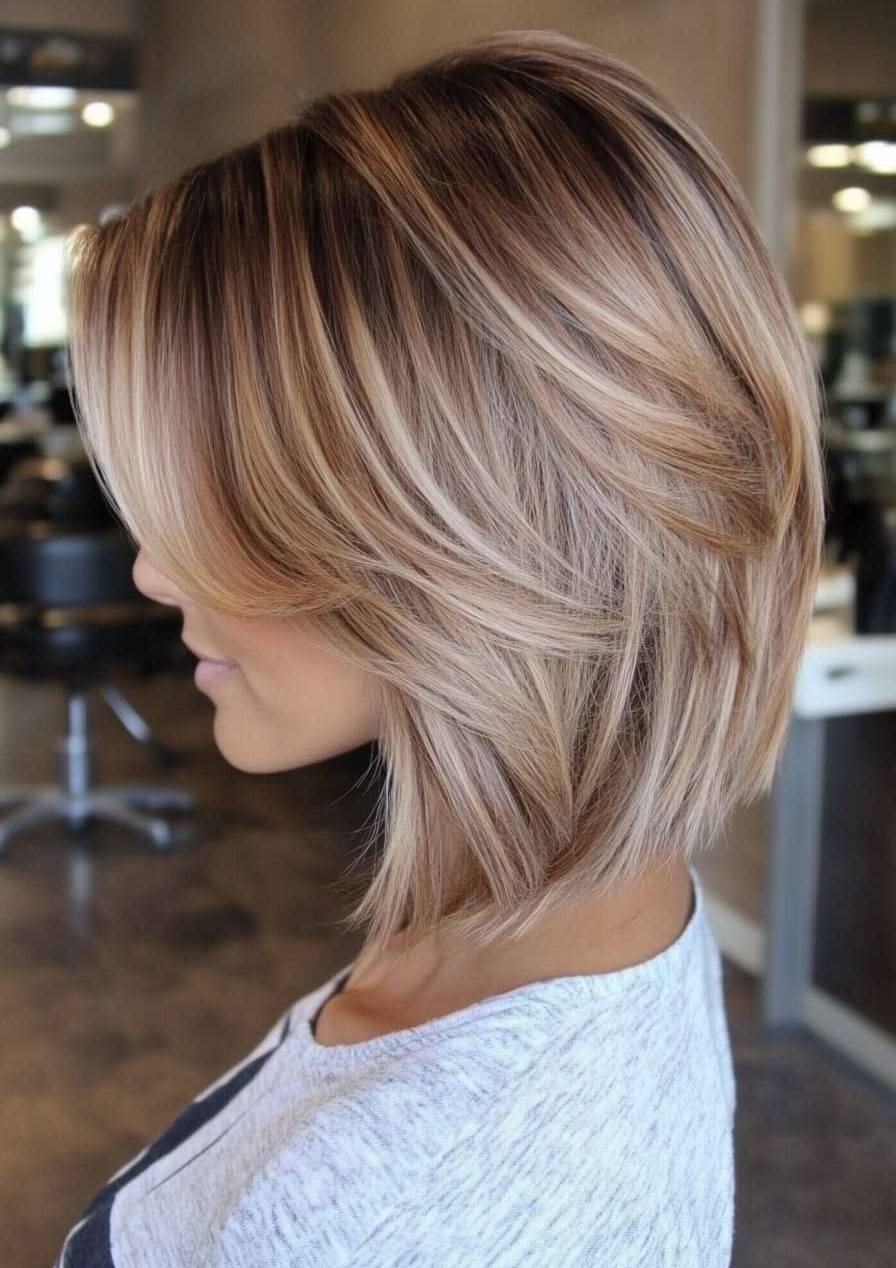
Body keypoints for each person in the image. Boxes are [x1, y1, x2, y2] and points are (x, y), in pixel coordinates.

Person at [57, 28, 826, 1267]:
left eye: (210, 497)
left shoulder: (391, 1217)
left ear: (455, 535)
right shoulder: (559, 914)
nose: (154, 568)